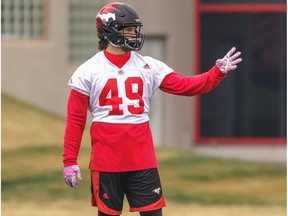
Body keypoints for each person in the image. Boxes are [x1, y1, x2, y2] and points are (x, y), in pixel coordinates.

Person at [62, 2, 242, 216]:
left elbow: (186, 86)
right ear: (109, 30)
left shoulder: (149, 66)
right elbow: (75, 120)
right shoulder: (88, 71)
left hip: (142, 159)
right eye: (127, 29)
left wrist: (216, 72)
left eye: (134, 29)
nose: (133, 34)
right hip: (106, 162)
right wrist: (69, 161)